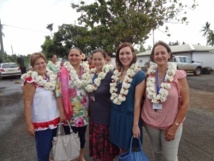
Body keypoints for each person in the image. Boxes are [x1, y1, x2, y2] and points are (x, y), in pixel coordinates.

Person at [141, 41, 190, 161]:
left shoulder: (179, 75)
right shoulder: (149, 75)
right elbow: (142, 96)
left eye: (163, 53)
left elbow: (186, 103)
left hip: (171, 123)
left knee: (170, 158)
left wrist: (175, 126)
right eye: (156, 53)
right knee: (157, 153)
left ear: (169, 55)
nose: (160, 56)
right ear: (153, 56)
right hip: (150, 122)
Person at [22, 52, 65, 161]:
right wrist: (29, 124)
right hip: (41, 121)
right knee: (43, 150)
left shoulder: (51, 77)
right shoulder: (30, 81)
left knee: (50, 146)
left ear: (46, 63)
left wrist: (61, 112)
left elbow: (58, 95)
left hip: (54, 119)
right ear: (32, 66)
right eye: (37, 64)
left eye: (42, 62)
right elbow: (27, 103)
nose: (41, 66)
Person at [109, 42, 146, 153]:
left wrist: (135, 125)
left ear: (133, 55)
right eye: (121, 54)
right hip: (116, 115)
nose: (124, 56)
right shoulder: (117, 72)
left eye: (127, 53)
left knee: (131, 150)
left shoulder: (138, 74)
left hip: (129, 118)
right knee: (121, 149)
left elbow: (137, 101)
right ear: (118, 56)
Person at [55, 47, 89, 161]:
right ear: (68, 57)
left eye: (76, 55)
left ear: (81, 56)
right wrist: (61, 112)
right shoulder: (61, 72)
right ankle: (73, 157)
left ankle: (80, 156)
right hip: (69, 112)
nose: (74, 57)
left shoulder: (87, 71)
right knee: (71, 136)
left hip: (84, 111)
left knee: (82, 136)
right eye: (71, 55)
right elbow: (58, 94)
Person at [85, 49, 119, 161]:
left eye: (100, 59)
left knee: (105, 151)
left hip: (105, 118)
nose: (97, 61)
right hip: (94, 117)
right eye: (95, 59)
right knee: (97, 152)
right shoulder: (91, 74)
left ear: (105, 59)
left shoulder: (111, 75)